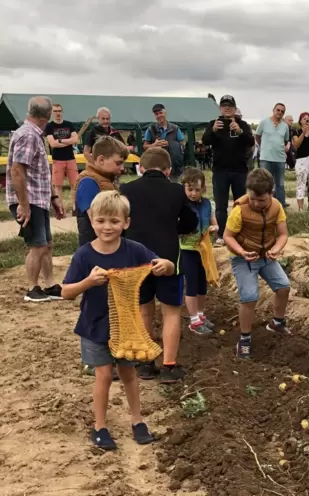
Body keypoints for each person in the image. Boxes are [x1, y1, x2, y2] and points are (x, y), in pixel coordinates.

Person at [61, 191, 173, 450]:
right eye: (101, 221)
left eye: (114, 221)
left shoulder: (133, 250)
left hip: (126, 328)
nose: (107, 227)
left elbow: (164, 264)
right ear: (91, 220)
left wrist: (164, 265)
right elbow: (66, 292)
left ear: (126, 223)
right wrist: (88, 281)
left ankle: (138, 421)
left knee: (129, 373)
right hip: (95, 326)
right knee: (103, 375)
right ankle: (99, 426)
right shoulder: (84, 256)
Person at [119, 148, 198, 383]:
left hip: (136, 260)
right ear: (168, 170)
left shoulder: (127, 189)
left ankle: (145, 363)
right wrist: (175, 229)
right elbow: (190, 221)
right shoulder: (176, 191)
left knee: (144, 309)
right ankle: (169, 366)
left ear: (140, 168)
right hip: (168, 259)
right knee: (171, 312)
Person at [223, 169, 291, 359]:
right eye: (252, 198)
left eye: (261, 200)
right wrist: (242, 252)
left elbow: (283, 234)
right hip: (242, 257)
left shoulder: (276, 207)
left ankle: (277, 323)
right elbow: (227, 236)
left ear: (271, 194)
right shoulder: (239, 211)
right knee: (250, 296)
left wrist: (276, 248)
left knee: (284, 287)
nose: (256, 203)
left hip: (266, 256)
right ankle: (244, 338)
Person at [6, 96, 66, 302]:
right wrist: (23, 204)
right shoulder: (28, 136)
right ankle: (33, 288)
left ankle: (49, 285)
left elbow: (40, 172)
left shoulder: (34, 134)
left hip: (39, 199)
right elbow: (17, 170)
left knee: (46, 243)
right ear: (48, 115)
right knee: (37, 245)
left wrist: (54, 197)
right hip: (29, 200)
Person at [202, 95, 253, 246]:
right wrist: (212, 130)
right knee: (221, 205)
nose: (227, 108)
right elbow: (205, 141)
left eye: (230, 105)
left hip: (239, 170)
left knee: (241, 204)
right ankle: (222, 235)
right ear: (220, 108)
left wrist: (240, 132)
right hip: (220, 170)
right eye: (224, 105)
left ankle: (240, 233)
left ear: (235, 108)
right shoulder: (214, 123)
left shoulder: (242, 124)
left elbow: (250, 142)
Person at [179, 168, 219, 335]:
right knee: (192, 285)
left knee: (203, 284)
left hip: (203, 250)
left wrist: (214, 227)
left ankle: (201, 315)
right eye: (190, 189)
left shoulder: (208, 204)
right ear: (184, 188)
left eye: (197, 189)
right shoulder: (181, 206)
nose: (193, 193)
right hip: (187, 250)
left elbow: (215, 223)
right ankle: (193, 320)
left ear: (203, 189)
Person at [73, 136, 128, 247]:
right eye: (118, 163)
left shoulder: (106, 180)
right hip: (96, 247)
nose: (122, 168)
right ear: (101, 160)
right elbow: (94, 219)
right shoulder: (88, 182)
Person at [256, 103, 291, 207]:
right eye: (278, 110)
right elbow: (257, 136)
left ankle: (280, 207)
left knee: (280, 184)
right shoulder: (264, 122)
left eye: (282, 111)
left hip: (280, 159)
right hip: (266, 158)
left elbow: (285, 140)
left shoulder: (285, 126)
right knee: (265, 183)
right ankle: (265, 205)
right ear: (273, 110)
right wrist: (264, 147)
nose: (280, 112)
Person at [45, 104, 79, 204]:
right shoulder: (49, 126)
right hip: (57, 159)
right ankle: (60, 208)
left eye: (59, 111)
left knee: (75, 184)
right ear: (51, 113)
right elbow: (52, 144)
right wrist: (68, 141)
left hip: (70, 158)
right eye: (55, 111)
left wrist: (59, 140)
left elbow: (76, 139)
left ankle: (75, 207)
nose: (58, 113)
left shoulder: (69, 124)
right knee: (58, 185)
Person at [143, 104, 185, 181]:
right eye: (156, 114)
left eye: (161, 113)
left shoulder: (175, 128)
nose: (159, 116)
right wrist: (154, 145)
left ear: (165, 113)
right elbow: (145, 147)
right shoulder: (151, 129)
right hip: (156, 165)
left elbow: (182, 145)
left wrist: (170, 144)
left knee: (173, 187)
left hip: (173, 165)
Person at [292, 112, 309, 211]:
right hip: (301, 160)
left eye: (308, 119)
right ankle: (300, 209)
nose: (306, 120)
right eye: (304, 119)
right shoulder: (296, 131)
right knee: (301, 183)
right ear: (300, 121)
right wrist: (303, 133)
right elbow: (296, 145)